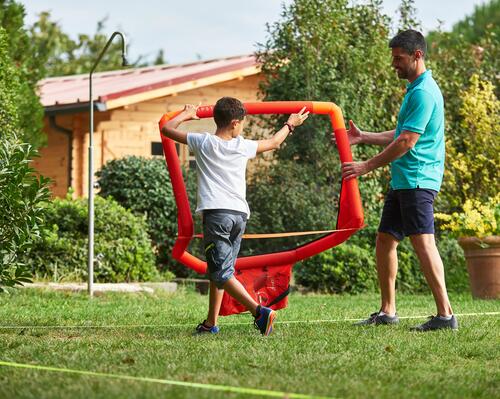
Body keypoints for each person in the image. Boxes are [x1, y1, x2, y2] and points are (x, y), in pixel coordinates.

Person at [337, 30, 457, 331]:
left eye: (399, 58)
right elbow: (400, 132)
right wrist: (363, 137)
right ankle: (388, 311)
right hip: (404, 179)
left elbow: (406, 141)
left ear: (417, 55)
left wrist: (366, 166)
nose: (394, 64)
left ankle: (446, 315)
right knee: (385, 240)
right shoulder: (414, 90)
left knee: (423, 244)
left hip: (418, 179)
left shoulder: (424, 92)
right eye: (393, 59)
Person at [162, 97, 309, 335]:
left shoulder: (204, 142)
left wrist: (187, 114)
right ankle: (211, 323)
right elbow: (273, 142)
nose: (243, 127)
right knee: (221, 270)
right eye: (242, 123)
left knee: (220, 271)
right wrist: (290, 124)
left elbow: (167, 129)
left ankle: (259, 312)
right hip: (239, 216)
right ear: (234, 123)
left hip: (217, 215)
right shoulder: (242, 146)